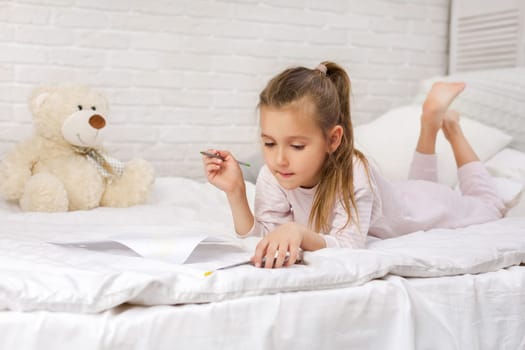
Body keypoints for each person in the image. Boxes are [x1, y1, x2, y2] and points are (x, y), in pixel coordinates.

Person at [202, 61, 505, 269]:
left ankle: (450, 129)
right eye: (269, 143)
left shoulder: (354, 172)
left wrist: (299, 232)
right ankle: (429, 124)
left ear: (333, 140)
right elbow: (265, 239)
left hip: (423, 208)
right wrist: (236, 193)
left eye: (296, 146)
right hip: (403, 196)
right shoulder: (275, 174)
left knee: (489, 205)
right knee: (423, 186)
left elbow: (349, 246)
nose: (279, 158)